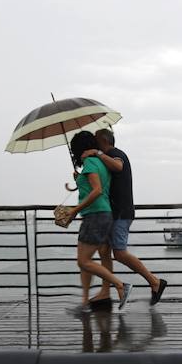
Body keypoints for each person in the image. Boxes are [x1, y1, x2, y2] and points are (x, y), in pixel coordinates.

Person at [83, 128, 168, 305]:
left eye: (96, 141)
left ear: (104, 141)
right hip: (114, 213)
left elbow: (118, 166)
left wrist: (97, 153)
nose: (94, 145)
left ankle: (154, 282)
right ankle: (105, 293)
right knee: (104, 251)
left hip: (121, 212)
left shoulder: (115, 153)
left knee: (120, 253)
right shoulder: (105, 158)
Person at [66, 131, 132, 309]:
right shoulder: (99, 163)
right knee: (90, 258)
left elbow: (97, 190)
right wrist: (79, 179)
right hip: (101, 214)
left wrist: (74, 210)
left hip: (95, 215)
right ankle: (86, 300)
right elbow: (95, 184)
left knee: (83, 261)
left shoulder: (90, 162)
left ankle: (120, 285)